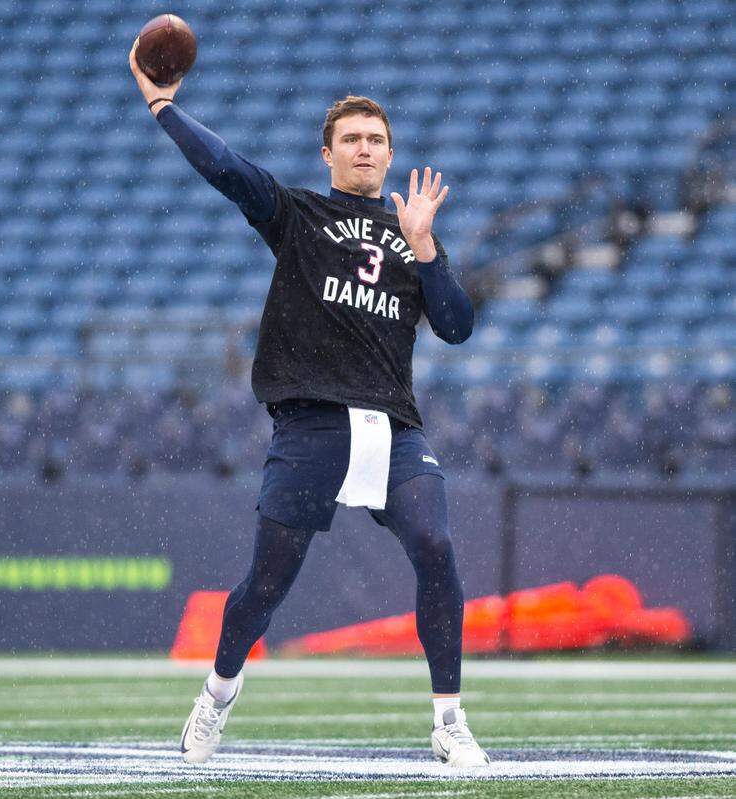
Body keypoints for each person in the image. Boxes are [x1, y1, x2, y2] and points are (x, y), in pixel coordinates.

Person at [129, 41, 490, 769]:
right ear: (328, 153)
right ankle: (217, 695)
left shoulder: (410, 233)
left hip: (392, 424)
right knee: (268, 582)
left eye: (377, 140)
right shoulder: (297, 213)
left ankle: (448, 719)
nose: (365, 148)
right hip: (312, 419)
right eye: (352, 139)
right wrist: (163, 107)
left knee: (437, 546)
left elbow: (456, 326)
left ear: (390, 156)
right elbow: (227, 170)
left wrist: (426, 249)